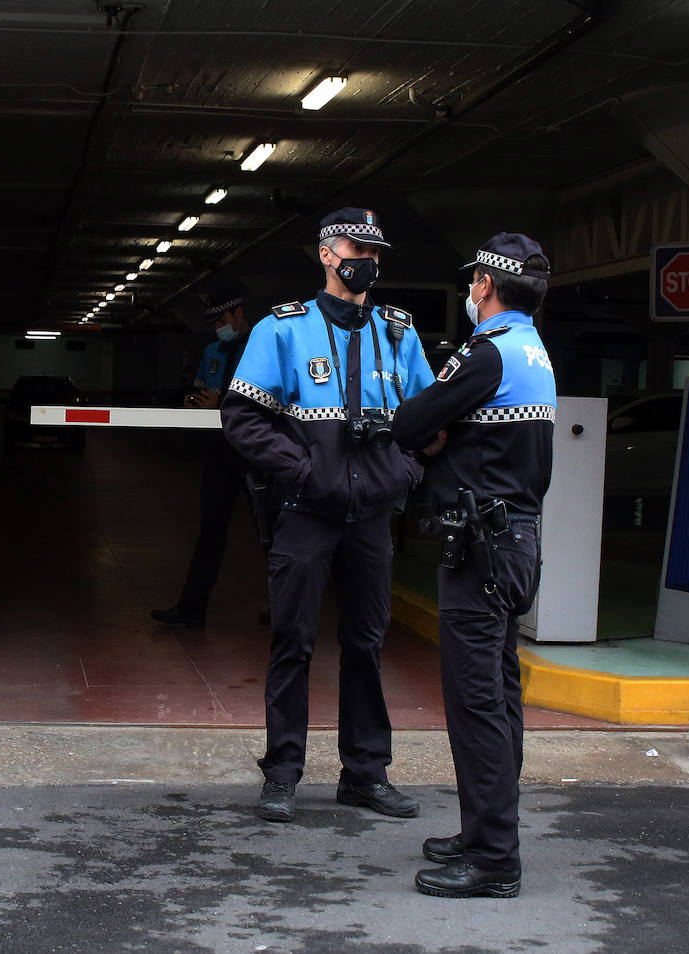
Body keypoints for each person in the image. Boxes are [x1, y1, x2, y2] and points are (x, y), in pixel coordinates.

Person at [221, 208, 436, 823]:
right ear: (326, 254)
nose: (367, 257)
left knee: (367, 644)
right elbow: (241, 418)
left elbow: (426, 419)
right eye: (356, 245)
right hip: (306, 513)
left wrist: (405, 472)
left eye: (376, 248)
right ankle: (283, 772)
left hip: (371, 516)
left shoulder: (398, 332)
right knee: (293, 642)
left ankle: (365, 773)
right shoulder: (282, 330)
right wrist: (303, 471)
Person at [392, 233, 556, 899]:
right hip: (515, 542)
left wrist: (439, 430)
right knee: (501, 695)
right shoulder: (534, 351)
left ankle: (492, 859)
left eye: (473, 282)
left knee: (477, 702)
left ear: (485, 285)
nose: (471, 291)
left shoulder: (486, 355)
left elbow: (410, 423)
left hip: (483, 548)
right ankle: (487, 829)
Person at [152, 286, 254, 628]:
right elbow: (201, 390)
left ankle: (289, 606)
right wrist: (193, 404)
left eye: (223, 320)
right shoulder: (212, 351)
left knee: (277, 533)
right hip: (220, 452)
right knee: (210, 531)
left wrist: (222, 402)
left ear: (238, 314)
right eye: (214, 323)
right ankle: (192, 608)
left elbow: (270, 399)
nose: (218, 328)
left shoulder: (262, 348)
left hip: (258, 452)